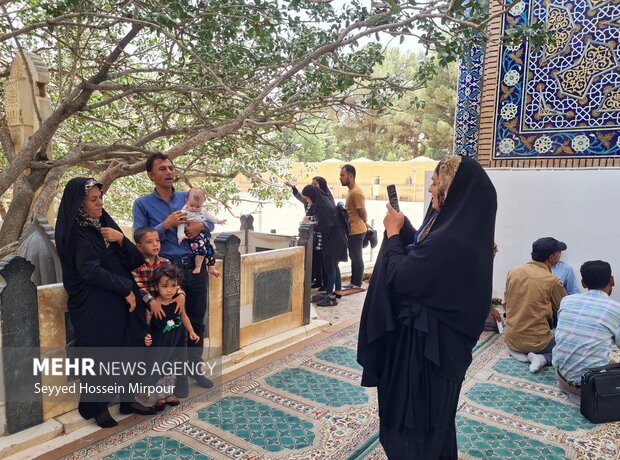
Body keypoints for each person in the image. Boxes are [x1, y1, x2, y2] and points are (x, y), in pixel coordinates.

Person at [357, 155, 497, 458]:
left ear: (453, 189)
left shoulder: (451, 242)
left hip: (426, 359)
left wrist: (393, 234)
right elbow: (422, 257)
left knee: (416, 426)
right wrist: (405, 229)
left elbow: (404, 277)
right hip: (432, 351)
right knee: (434, 426)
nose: (431, 189)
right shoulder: (461, 232)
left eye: (437, 183)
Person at [55, 177, 156, 428]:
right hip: (95, 304)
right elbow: (90, 271)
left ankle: (127, 399)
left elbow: (135, 260)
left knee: (130, 347)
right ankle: (96, 407)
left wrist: (120, 239)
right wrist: (125, 289)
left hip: (122, 300)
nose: (100, 203)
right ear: (79, 203)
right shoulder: (76, 233)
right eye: (93, 199)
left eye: (101, 198)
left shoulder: (104, 223)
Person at [133, 153, 217, 392]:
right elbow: (139, 237)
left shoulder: (187, 196)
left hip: (195, 266)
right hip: (167, 272)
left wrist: (202, 225)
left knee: (197, 318)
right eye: (162, 169)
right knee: (171, 322)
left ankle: (194, 367)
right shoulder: (142, 204)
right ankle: (172, 376)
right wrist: (166, 225)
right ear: (151, 175)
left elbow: (208, 220)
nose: (169, 172)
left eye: (170, 167)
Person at [553, 260, 620, 404]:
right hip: (590, 389)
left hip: (562, 380)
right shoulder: (615, 309)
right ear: (612, 280)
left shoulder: (566, 301)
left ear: (583, 283)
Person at [504, 237, 568, 373]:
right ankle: (542, 358)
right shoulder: (552, 280)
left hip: (511, 337)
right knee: (570, 350)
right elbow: (566, 311)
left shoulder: (513, 271)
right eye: (559, 253)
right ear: (552, 257)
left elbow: (506, 303)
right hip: (538, 342)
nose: (560, 256)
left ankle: (517, 350)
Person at [144, 265, 200, 410]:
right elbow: (146, 325)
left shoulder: (178, 302)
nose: (169, 290)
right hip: (161, 345)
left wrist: (191, 332)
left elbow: (184, 317)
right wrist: (146, 336)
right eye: (165, 286)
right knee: (160, 370)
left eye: (173, 286)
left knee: (172, 371)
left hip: (177, 343)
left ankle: (169, 395)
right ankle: (160, 397)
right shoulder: (153, 306)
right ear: (156, 286)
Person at [285, 177, 336, 290]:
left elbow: (325, 219)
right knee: (317, 260)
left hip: (326, 237)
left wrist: (310, 220)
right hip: (317, 235)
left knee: (329, 265)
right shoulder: (317, 201)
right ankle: (320, 282)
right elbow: (303, 199)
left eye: (315, 184)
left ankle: (328, 289)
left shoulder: (325, 202)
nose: (307, 200)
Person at [301, 184, 348, 307]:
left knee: (330, 265)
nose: (307, 200)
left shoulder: (323, 206)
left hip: (334, 238)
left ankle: (330, 296)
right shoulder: (323, 202)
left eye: (307, 198)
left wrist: (311, 223)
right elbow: (323, 220)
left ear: (312, 195)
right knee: (334, 264)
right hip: (336, 237)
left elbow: (324, 226)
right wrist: (311, 220)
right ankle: (337, 291)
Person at [131, 226, 185, 328]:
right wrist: (152, 302)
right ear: (139, 247)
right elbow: (139, 287)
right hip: (145, 309)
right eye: (149, 242)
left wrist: (181, 294)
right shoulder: (135, 265)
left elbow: (174, 282)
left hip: (166, 307)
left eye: (157, 240)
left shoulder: (165, 262)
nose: (155, 244)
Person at [176, 187, 224, 274]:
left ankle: (211, 267)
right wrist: (181, 235)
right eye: (192, 206)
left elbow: (210, 218)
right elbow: (181, 225)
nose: (194, 208)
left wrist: (218, 221)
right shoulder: (184, 212)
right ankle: (198, 267)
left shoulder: (203, 211)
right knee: (200, 250)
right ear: (186, 201)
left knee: (210, 250)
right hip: (195, 238)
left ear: (202, 203)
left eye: (197, 206)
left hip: (204, 236)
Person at [339, 164, 368, 289]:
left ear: (350, 176)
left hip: (357, 231)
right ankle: (353, 282)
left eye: (342, 175)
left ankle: (357, 283)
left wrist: (365, 221)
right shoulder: (351, 191)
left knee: (357, 257)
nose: (340, 178)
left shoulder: (356, 192)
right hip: (352, 230)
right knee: (353, 257)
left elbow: (363, 212)